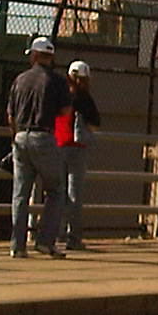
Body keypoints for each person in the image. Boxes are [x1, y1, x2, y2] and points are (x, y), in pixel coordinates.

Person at [7, 36, 72, 259]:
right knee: (55, 191)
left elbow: (10, 114)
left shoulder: (20, 80)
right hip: (44, 136)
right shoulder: (57, 81)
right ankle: (45, 242)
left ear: (34, 56)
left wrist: (15, 137)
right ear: (50, 57)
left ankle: (17, 245)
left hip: (20, 137)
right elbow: (64, 112)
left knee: (20, 194)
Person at [55, 60, 100, 251]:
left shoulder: (60, 94)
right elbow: (94, 123)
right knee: (75, 194)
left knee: (57, 192)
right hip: (77, 147)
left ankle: (56, 235)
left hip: (58, 145)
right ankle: (73, 238)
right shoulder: (84, 98)